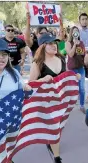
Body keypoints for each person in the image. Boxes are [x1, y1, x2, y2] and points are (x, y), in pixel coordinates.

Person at [28, 33, 66, 163]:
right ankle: (56, 156)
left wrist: (74, 77)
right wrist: (42, 80)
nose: (54, 45)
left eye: (54, 43)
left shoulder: (61, 59)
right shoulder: (38, 63)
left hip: (61, 100)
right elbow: (30, 84)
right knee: (54, 126)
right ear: (43, 46)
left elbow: (65, 77)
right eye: (50, 43)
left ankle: (51, 140)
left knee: (59, 125)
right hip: (46, 102)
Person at [65, 26, 86, 113]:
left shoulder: (81, 42)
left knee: (82, 88)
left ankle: (82, 105)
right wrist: (74, 44)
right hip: (72, 69)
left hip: (80, 68)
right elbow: (70, 54)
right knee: (72, 88)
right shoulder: (68, 43)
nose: (76, 32)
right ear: (71, 33)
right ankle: (68, 105)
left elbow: (83, 54)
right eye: (74, 31)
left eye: (77, 31)